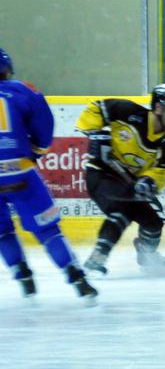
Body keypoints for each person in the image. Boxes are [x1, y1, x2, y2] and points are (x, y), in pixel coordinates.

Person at [0, 48, 97, 300]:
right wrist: (35, 152)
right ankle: (76, 276)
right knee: (48, 231)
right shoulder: (23, 90)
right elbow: (44, 127)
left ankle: (23, 276)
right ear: (7, 69)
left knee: (2, 232)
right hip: (20, 172)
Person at [76, 84, 165, 276]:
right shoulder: (127, 111)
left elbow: (162, 173)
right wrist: (95, 134)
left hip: (128, 185)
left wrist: (149, 182)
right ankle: (97, 257)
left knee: (155, 221)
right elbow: (95, 109)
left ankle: (147, 255)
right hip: (101, 175)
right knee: (120, 212)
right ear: (159, 107)